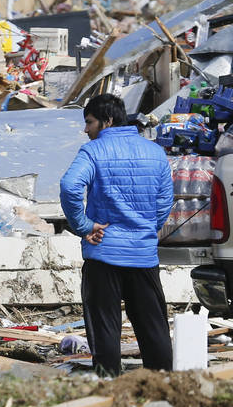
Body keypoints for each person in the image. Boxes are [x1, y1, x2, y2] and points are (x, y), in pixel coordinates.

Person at [60, 93, 174, 377]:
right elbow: (164, 203)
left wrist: (84, 226)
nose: (86, 130)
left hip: (104, 255)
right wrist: (146, 229)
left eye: (89, 122)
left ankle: (108, 384)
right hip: (143, 256)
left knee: (105, 327)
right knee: (153, 327)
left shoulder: (93, 152)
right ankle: (162, 384)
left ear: (107, 121)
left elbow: (70, 186)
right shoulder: (155, 152)